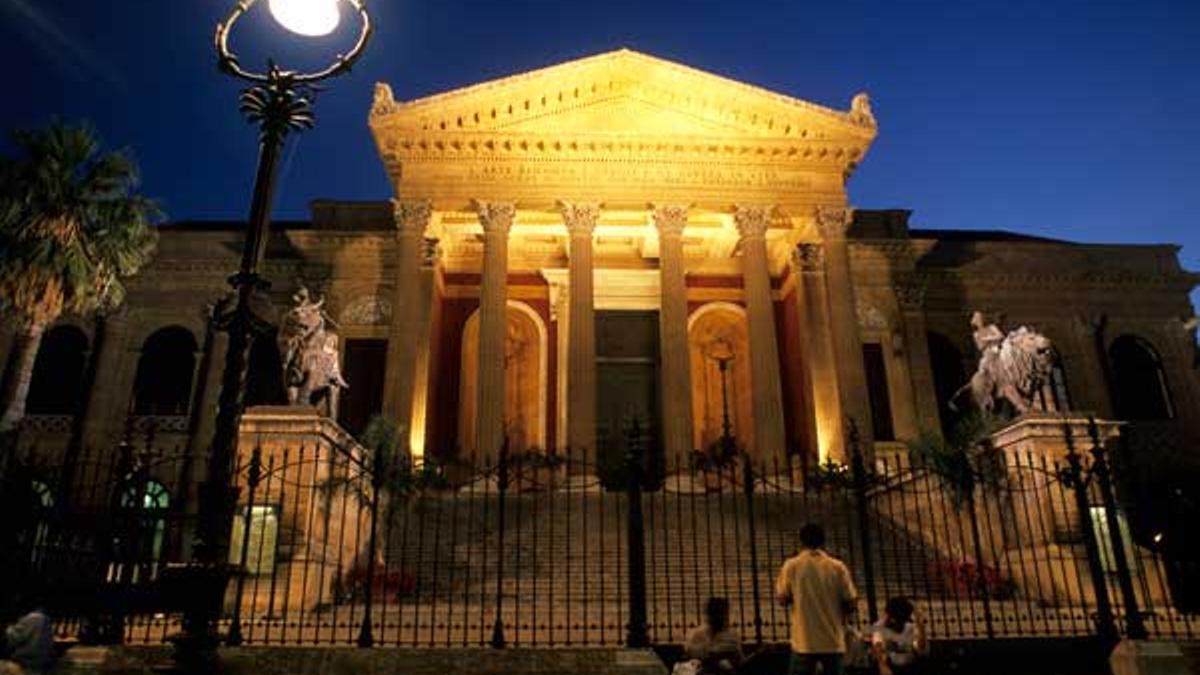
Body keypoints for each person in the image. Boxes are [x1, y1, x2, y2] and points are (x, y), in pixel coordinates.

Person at [776, 523, 858, 675]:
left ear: (801, 541)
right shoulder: (837, 567)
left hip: (804, 639)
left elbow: (782, 599)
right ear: (823, 541)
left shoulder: (791, 565)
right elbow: (851, 602)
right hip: (833, 639)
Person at [682, 597, 743, 674]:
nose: (720, 617)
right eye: (717, 613)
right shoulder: (697, 634)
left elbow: (739, 660)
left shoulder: (731, 636)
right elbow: (691, 652)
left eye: (723, 613)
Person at [870, 597, 927, 675]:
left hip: (910, 667)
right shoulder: (880, 626)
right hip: (890, 666)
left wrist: (921, 627)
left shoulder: (911, 627)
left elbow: (920, 647)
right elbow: (878, 647)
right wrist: (883, 666)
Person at [1, 603, 54, 675]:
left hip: (25, 666)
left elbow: (13, 638)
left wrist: (9, 628)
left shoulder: (32, 618)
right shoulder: (46, 620)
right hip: (39, 667)